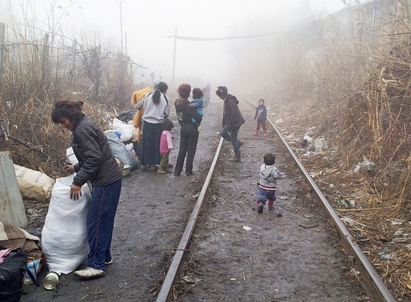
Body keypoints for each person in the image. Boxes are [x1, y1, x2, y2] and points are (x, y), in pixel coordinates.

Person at [51, 99, 123, 279]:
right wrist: (75, 168)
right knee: (104, 221)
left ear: (70, 116)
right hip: (111, 179)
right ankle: (104, 257)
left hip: (106, 181)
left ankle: (96, 265)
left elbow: (94, 159)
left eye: (63, 121)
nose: (63, 125)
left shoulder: (82, 130)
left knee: (95, 223)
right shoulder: (83, 124)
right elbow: (94, 154)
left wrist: (77, 181)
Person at [135, 81, 170, 172]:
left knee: (145, 144)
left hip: (146, 124)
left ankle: (143, 164)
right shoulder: (165, 99)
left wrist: (146, 110)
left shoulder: (147, 96)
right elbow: (167, 113)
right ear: (165, 90)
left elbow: (137, 106)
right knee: (155, 145)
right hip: (157, 125)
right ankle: (152, 165)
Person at [174, 83, 203, 176]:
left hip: (183, 128)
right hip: (191, 129)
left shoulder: (176, 102)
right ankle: (188, 171)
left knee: (182, 150)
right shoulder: (187, 104)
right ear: (188, 93)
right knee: (191, 150)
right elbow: (198, 117)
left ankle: (177, 170)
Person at [215, 86, 245, 162]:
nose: (219, 98)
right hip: (232, 122)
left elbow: (233, 114)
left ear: (222, 94)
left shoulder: (230, 101)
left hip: (235, 123)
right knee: (223, 133)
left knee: (233, 138)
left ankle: (237, 157)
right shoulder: (227, 100)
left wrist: (230, 126)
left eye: (219, 96)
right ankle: (238, 143)